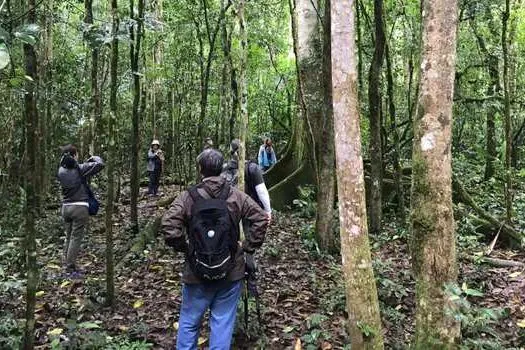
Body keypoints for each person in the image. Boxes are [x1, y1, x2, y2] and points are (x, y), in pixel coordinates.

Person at [161, 148, 268, 350]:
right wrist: (246, 247)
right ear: (221, 169)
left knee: (189, 323)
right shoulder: (236, 196)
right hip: (231, 271)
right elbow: (261, 218)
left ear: (200, 169)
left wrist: (186, 248)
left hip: (196, 272)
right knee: (222, 325)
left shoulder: (188, 197)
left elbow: (168, 225)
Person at [57, 144, 104, 275]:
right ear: (74, 155)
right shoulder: (80, 169)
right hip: (79, 207)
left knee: (68, 236)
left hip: (66, 207)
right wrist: (93, 157)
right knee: (75, 238)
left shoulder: (60, 170)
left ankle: (66, 263)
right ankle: (70, 267)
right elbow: (100, 164)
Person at [223, 139, 272, 226]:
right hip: (249, 212)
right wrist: (268, 211)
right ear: (244, 150)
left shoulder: (223, 168)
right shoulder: (252, 168)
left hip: (228, 213)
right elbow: (262, 192)